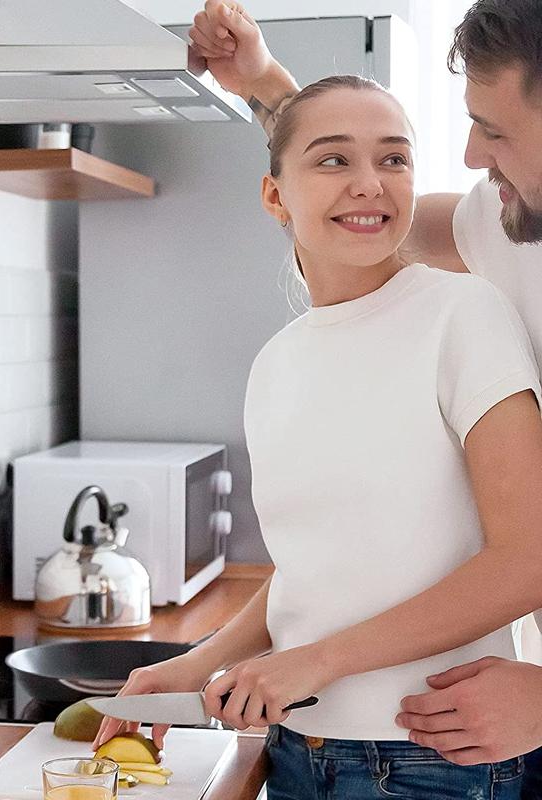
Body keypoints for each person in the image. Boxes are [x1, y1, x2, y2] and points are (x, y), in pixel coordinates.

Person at [92, 71, 542, 799]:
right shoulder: (278, 362)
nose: (370, 182)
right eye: (334, 160)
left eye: (393, 159)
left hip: (439, 759)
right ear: (275, 196)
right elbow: (322, 573)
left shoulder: (464, 316)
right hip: (301, 752)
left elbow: (528, 559)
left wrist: (316, 661)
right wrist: (196, 661)